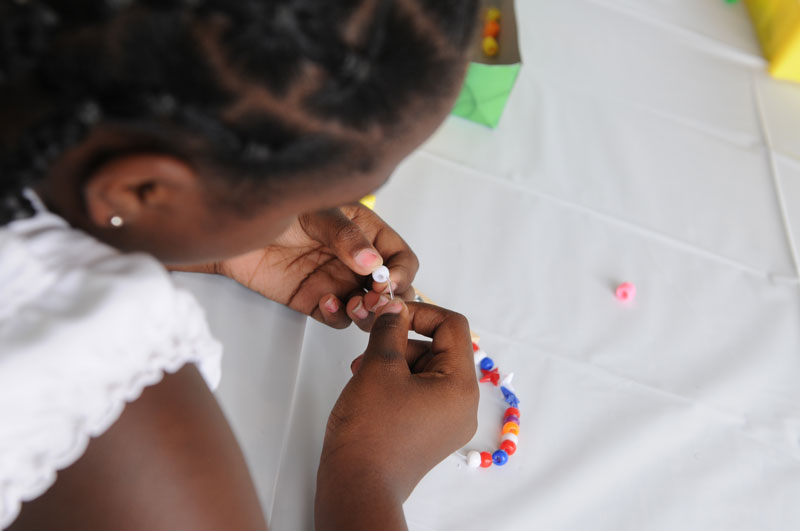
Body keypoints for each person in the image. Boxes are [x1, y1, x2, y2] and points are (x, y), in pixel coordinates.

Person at [0, 0, 480, 529]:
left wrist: (185, 225)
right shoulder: (82, 361)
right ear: (142, 186)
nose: (319, 214)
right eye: (324, 192)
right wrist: (369, 474)